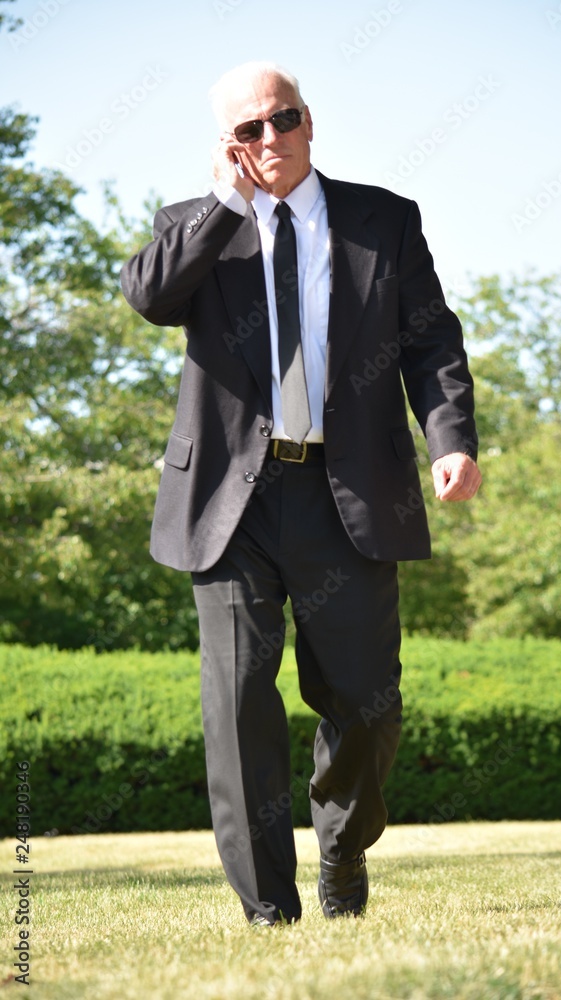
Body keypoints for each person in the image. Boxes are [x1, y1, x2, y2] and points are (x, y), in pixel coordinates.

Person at [120, 60, 481, 927]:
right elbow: (151, 297)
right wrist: (225, 203)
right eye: (248, 129)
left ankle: (342, 846)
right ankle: (267, 908)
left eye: (282, 119)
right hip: (230, 501)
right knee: (239, 699)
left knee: (364, 703)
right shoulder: (193, 226)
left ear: (308, 121)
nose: (270, 138)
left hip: (348, 492)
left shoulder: (382, 221)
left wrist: (451, 441)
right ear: (227, 143)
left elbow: (430, 341)